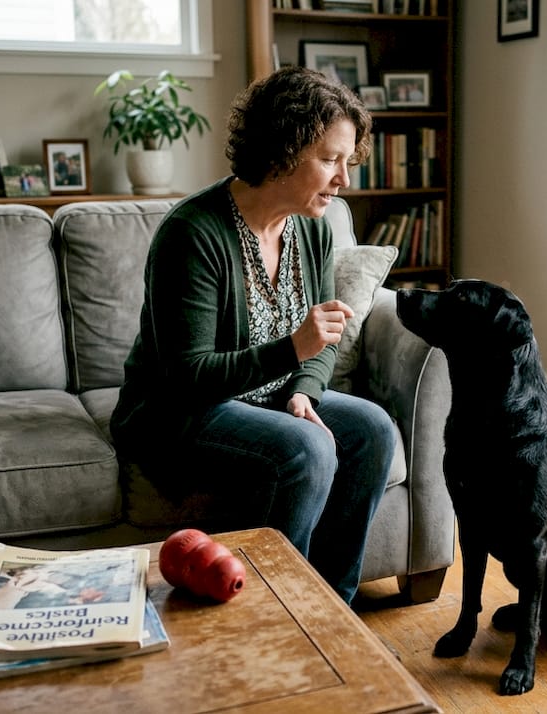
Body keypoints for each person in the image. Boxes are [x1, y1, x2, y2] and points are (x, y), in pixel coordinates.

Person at [110, 66, 395, 605]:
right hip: (181, 410)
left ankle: (332, 607)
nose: (344, 180)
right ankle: (277, 614)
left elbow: (324, 334)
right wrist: (294, 350)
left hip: (266, 396)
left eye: (346, 160)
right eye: (330, 160)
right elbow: (187, 376)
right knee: (307, 449)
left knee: (374, 428)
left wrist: (305, 390)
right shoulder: (193, 233)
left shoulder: (312, 226)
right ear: (282, 152)